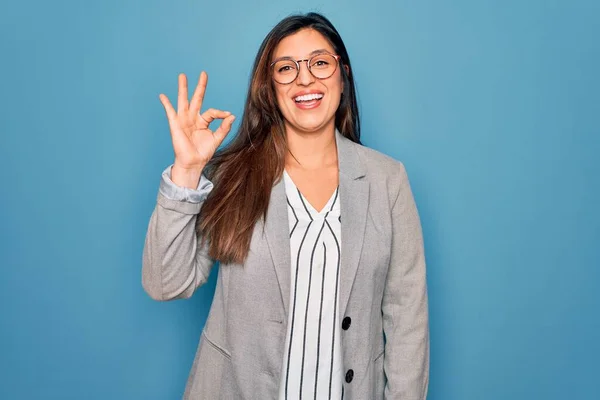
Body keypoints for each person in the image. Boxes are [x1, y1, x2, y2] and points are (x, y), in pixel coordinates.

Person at [142, 12, 429, 400]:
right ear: (270, 88)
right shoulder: (234, 174)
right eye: (287, 68)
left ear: (342, 76)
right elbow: (165, 284)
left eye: (320, 63)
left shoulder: (387, 179)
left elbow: (407, 318)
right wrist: (187, 171)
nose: (305, 78)